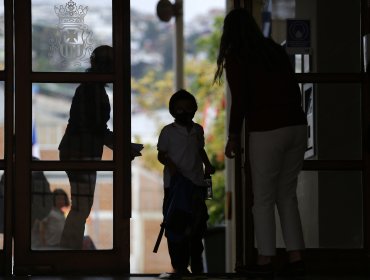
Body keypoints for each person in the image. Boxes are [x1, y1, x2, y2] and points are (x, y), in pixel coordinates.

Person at [214, 8, 308, 278]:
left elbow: (240, 101)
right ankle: (296, 257)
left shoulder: (238, 57)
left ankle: (266, 259)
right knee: (286, 196)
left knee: (263, 199)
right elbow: (293, 88)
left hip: (267, 129)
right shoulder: (272, 50)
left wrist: (233, 137)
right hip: (296, 125)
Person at [58, 45, 143, 249]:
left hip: (77, 150)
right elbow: (97, 128)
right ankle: (69, 253)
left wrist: (122, 146)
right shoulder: (93, 90)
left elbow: (96, 127)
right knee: (81, 208)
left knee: (80, 207)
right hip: (82, 152)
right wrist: (123, 146)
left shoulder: (89, 87)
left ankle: (69, 252)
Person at [157, 89, 215, 275]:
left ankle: (197, 264)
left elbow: (200, 150)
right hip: (175, 188)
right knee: (176, 227)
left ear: (195, 109)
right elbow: (161, 154)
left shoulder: (198, 130)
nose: (184, 112)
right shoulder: (168, 132)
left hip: (197, 185)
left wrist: (208, 165)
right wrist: (171, 166)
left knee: (198, 226)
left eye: (188, 108)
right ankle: (180, 266)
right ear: (172, 111)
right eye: (179, 109)